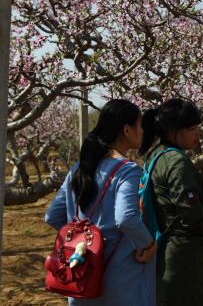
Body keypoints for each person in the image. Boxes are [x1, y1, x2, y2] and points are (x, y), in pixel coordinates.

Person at [45, 99, 157, 306]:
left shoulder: (79, 168)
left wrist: (80, 241)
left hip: (81, 279)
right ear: (126, 130)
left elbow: (52, 216)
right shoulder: (127, 171)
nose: (142, 131)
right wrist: (149, 245)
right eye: (139, 125)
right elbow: (126, 219)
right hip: (119, 281)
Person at [139, 98, 203, 306]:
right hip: (187, 258)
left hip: (167, 249)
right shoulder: (176, 162)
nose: (197, 134)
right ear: (172, 131)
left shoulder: (156, 156)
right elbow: (191, 213)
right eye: (192, 128)